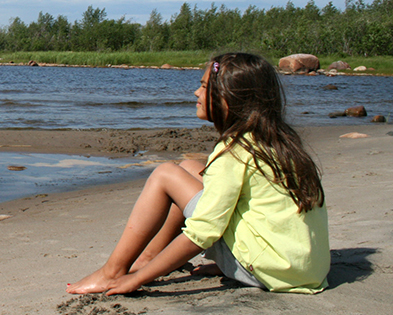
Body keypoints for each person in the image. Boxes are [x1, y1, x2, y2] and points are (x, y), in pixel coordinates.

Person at [66, 52, 329, 295]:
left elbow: (203, 231)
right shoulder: (278, 140)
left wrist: (138, 279)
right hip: (300, 268)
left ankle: (112, 272)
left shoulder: (235, 150)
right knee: (190, 167)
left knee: (165, 174)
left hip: (269, 272)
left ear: (229, 98)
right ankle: (151, 257)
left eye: (204, 87)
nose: (196, 93)